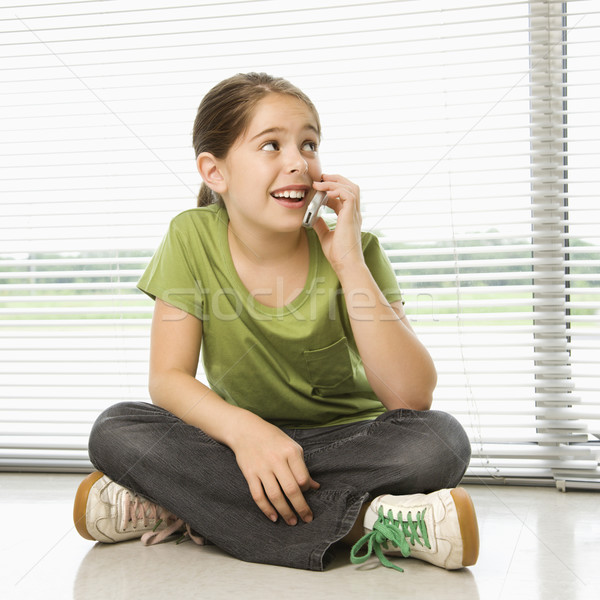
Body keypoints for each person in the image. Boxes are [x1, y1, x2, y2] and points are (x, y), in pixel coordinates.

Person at [73, 72, 479, 572]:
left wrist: (349, 263)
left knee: (439, 442)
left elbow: (411, 398)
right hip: (238, 446)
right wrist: (249, 435)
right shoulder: (189, 236)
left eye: (309, 144)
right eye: (271, 145)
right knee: (115, 429)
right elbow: (168, 379)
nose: (298, 163)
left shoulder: (359, 250)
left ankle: (189, 507)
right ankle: (370, 523)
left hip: (346, 442)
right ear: (214, 171)